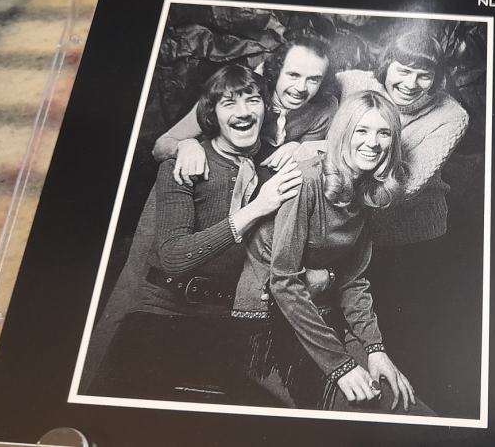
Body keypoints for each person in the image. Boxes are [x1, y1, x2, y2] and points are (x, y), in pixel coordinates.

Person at [88, 65, 302, 403]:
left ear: (266, 108)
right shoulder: (185, 162)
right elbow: (173, 257)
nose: (243, 112)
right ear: (212, 114)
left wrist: (308, 148)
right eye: (229, 103)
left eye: (252, 100)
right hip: (162, 310)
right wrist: (258, 208)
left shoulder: (278, 164)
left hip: (230, 318)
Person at [233, 91, 430, 414]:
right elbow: (283, 281)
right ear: (342, 133)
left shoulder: (368, 188)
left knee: (407, 406)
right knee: (363, 410)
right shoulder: (307, 179)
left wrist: (375, 348)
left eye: (384, 133)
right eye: (361, 130)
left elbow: (354, 278)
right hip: (266, 323)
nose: (373, 142)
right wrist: (340, 365)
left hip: (321, 316)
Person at [336, 30, 479, 416]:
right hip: (349, 236)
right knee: (356, 342)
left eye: (424, 74)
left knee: (402, 347)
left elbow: (402, 187)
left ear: (438, 78)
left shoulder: (451, 115)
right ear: (386, 66)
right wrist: (189, 139)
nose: (411, 83)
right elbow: (289, 90)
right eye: (403, 69)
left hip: (412, 243)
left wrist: (328, 169)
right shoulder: (354, 83)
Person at [153, 35, 337, 185]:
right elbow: (160, 147)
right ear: (277, 70)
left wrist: (300, 148)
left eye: (313, 79)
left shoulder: (324, 108)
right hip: (206, 176)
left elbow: (306, 168)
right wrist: (186, 145)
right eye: (293, 75)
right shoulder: (234, 91)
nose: (301, 88)